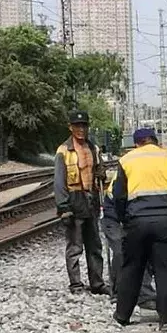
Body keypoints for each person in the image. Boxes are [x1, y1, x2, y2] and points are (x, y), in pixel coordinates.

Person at [112, 127, 167, 327]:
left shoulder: (127, 160)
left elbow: (119, 195)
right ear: (156, 141)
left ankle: (123, 315)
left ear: (137, 143)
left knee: (132, 267)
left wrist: (124, 219)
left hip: (137, 221)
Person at [53, 109, 109, 295]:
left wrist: (102, 174)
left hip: (91, 198)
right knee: (75, 245)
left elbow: (101, 174)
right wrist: (63, 207)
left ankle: (97, 283)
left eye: (84, 125)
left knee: (94, 244)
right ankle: (76, 284)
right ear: (70, 127)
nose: (81, 129)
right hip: (74, 199)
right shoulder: (64, 151)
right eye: (77, 126)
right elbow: (59, 181)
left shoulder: (94, 148)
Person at [101, 165, 156, 310]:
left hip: (133, 217)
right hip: (114, 218)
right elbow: (118, 202)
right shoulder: (126, 174)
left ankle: (144, 295)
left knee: (144, 248)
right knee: (121, 250)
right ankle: (119, 292)